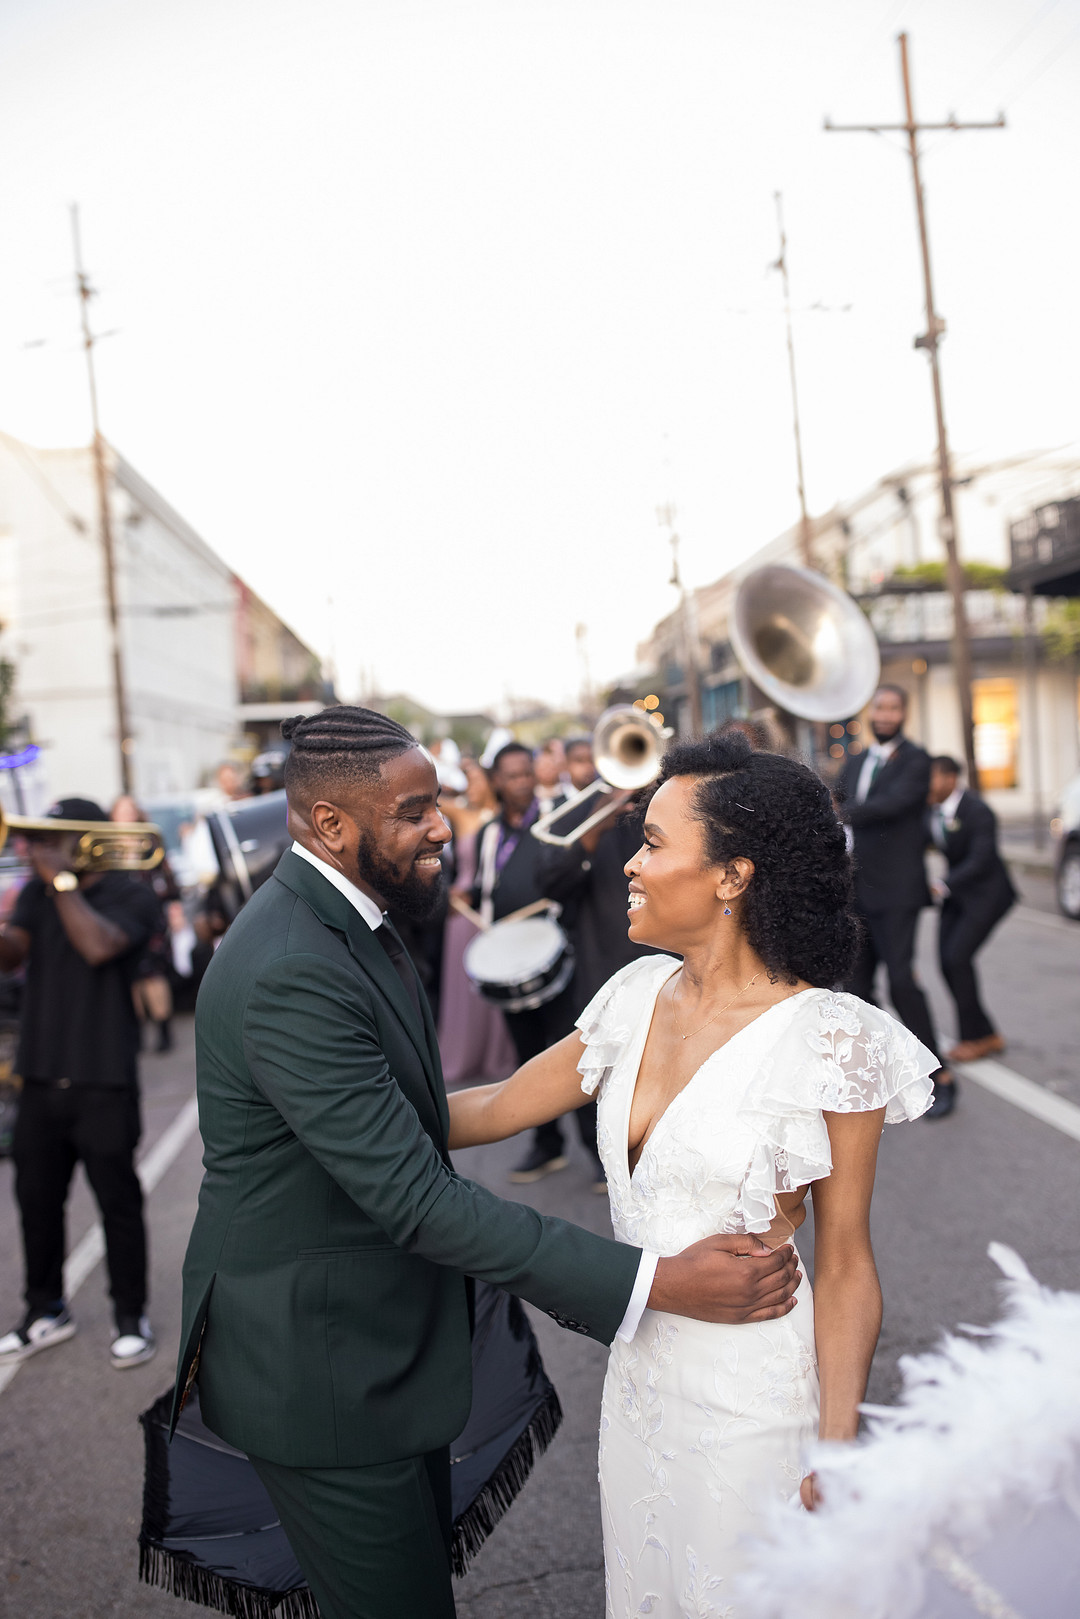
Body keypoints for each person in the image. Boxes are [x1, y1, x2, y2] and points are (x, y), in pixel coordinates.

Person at [173, 706, 803, 1619]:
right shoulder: (289, 966)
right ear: (331, 825)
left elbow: (423, 1114)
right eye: (417, 810)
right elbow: (418, 1199)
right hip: (324, 1369)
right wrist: (654, 1280)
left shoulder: (348, 920)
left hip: (372, 1346)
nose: (443, 826)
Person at [449, 732, 936, 1618]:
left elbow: (845, 1264)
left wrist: (838, 1443)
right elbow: (491, 1107)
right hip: (640, 1395)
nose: (630, 863)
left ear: (732, 875)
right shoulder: (633, 995)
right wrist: (331, 1101)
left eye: (654, 841)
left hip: (759, 1412)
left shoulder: (837, 1038)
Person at [0, 798, 162, 1369]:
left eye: (55, 837)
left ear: (84, 839)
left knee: (117, 1202)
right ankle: (44, 1310)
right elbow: (10, 954)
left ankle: (130, 1315)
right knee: (36, 1201)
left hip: (103, 1076)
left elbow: (99, 946)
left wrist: (62, 881)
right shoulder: (37, 895)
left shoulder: (131, 895)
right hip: (41, 1075)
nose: (39, 847)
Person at [471, 741, 592, 1183]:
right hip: (508, 960)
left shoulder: (557, 815)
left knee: (571, 1057)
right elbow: (486, 889)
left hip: (556, 951)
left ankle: (597, 1151)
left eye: (528, 773)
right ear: (498, 781)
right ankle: (546, 1145)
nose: (523, 782)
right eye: (513, 776)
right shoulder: (489, 833)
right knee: (528, 1059)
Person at [834, 684, 953, 1117]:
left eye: (893, 707)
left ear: (904, 713)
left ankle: (940, 1075)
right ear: (871, 713)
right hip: (856, 891)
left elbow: (891, 805)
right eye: (879, 707)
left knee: (902, 981)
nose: (885, 714)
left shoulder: (918, 761)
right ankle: (888, 1068)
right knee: (858, 988)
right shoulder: (857, 760)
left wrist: (841, 813)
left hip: (898, 891)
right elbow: (838, 798)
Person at [927, 754, 1017, 1067]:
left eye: (932, 777)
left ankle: (974, 1038)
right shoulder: (931, 810)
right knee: (946, 962)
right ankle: (987, 1032)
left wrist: (942, 884)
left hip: (987, 895)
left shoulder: (978, 811)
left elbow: (981, 859)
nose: (926, 784)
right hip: (957, 897)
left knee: (957, 958)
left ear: (950, 779)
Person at [437, 758, 517, 1085]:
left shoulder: (508, 819)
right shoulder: (461, 813)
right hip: (463, 911)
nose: (470, 786)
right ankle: (465, 1053)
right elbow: (433, 796)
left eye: (475, 780)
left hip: (497, 912)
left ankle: (499, 1053)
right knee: (464, 986)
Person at [112, 794, 177, 1052]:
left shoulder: (149, 840)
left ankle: (163, 1031)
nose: (126, 814)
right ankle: (136, 1033)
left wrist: (174, 906)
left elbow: (167, 876)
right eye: (122, 810)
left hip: (150, 914)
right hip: (120, 916)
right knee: (131, 977)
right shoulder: (107, 844)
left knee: (154, 973)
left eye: (130, 810)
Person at [534, 737, 567, 815]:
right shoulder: (531, 795)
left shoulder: (566, 789)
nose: (547, 771)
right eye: (543, 767)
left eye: (550, 767)